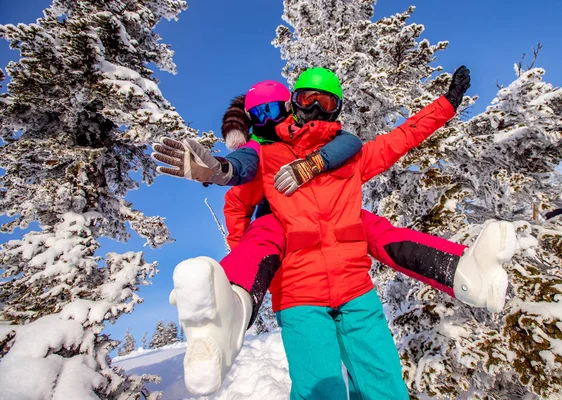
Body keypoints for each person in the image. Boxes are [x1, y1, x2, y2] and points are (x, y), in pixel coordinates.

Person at [152, 68, 517, 398]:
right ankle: (229, 307)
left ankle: (465, 270)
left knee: (384, 387)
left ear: (334, 109)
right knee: (319, 391)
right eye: (305, 98)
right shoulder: (270, 155)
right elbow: (243, 168)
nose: (313, 107)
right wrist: (219, 169)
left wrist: (446, 105)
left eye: (323, 100)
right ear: (293, 102)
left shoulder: (350, 156)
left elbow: (402, 138)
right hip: (300, 296)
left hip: (357, 292)